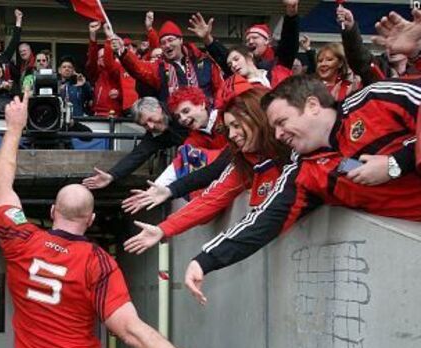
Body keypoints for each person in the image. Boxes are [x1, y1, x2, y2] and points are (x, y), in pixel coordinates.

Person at [0, 93, 240, 348]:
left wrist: (14, 128)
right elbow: (133, 333)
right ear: (91, 219)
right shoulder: (99, 262)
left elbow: (3, 185)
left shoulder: (20, 238)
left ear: (51, 211)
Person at [183, 75, 421, 304]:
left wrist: (396, 163)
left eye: (281, 122)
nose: (278, 134)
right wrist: (204, 261)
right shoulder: (305, 172)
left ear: (312, 106)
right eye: (274, 127)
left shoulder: (376, 99)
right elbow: (263, 221)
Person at [124, 86, 291, 254]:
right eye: (179, 116)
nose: (231, 135)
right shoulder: (239, 157)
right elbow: (210, 192)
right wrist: (165, 207)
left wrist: (170, 191)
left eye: (186, 111)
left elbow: (216, 168)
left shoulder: (294, 145)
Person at [82, 97, 195, 190]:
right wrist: (112, 175)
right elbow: (138, 154)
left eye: (150, 119)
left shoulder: (181, 109)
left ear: (159, 109)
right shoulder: (156, 134)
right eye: (145, 125)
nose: (151, 126)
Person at [114, 20, 224, 105]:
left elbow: (220, 90)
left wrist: (217, 114)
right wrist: (122, 52)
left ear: (180, 40)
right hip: (174, 123)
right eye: (163, 43)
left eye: (170, 40)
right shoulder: (158, 67)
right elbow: (138, 68)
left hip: (206, 121)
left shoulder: (203, 61)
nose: (167, 45)